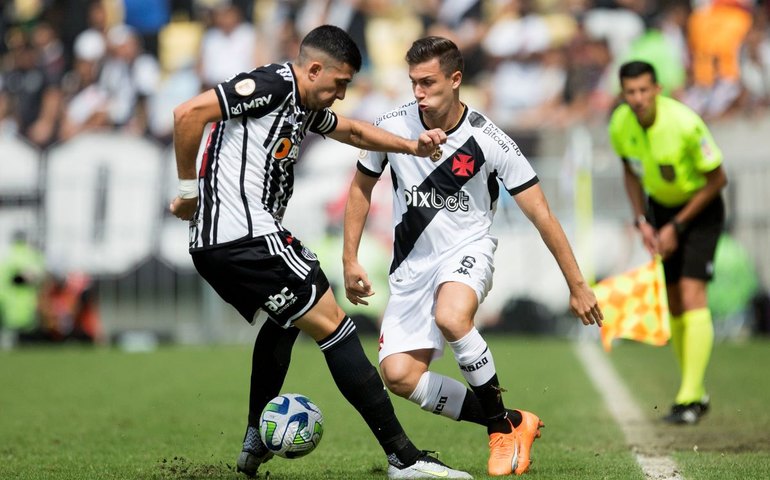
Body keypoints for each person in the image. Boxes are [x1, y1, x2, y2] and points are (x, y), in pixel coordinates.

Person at [169, 25, 471, 479]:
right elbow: (188, 113)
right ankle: (403, 458)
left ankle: (255, 436)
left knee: (285, 322)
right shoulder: (274, 85)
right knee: (337, 328)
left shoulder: (300, 104)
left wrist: (411, 146)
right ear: (314, 69)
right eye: (340, 84)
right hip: (247, 237)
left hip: (220, 243)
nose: (341, 95)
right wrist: (188, 190)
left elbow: (352, 131)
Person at [343, 36, 603, 477]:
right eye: (413, 83)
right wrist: (349, 259)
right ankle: (512, 420)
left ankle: (500, 433)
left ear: (456, 79)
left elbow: (542, 215)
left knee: (452, 315)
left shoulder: (490, 139)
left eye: (428, 82)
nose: (418, 92)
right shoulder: (390, 126)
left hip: (468, 250)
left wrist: (577, 285)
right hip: (410, 265)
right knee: (400, 375)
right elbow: (361, 188)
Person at [608, 60, 728, 424]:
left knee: (692, 294)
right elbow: (629, 170)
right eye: (631, 92)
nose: (638, 98)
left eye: (644, 90)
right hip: (660, 212)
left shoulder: (685, 124)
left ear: (657, 88)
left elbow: (717, 180)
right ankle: (693, 393)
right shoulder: (620, 124)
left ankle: (689, 396)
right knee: (674, 301)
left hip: (700, 209)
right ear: (623, 94)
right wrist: (642, 220)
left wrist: (676, 225)